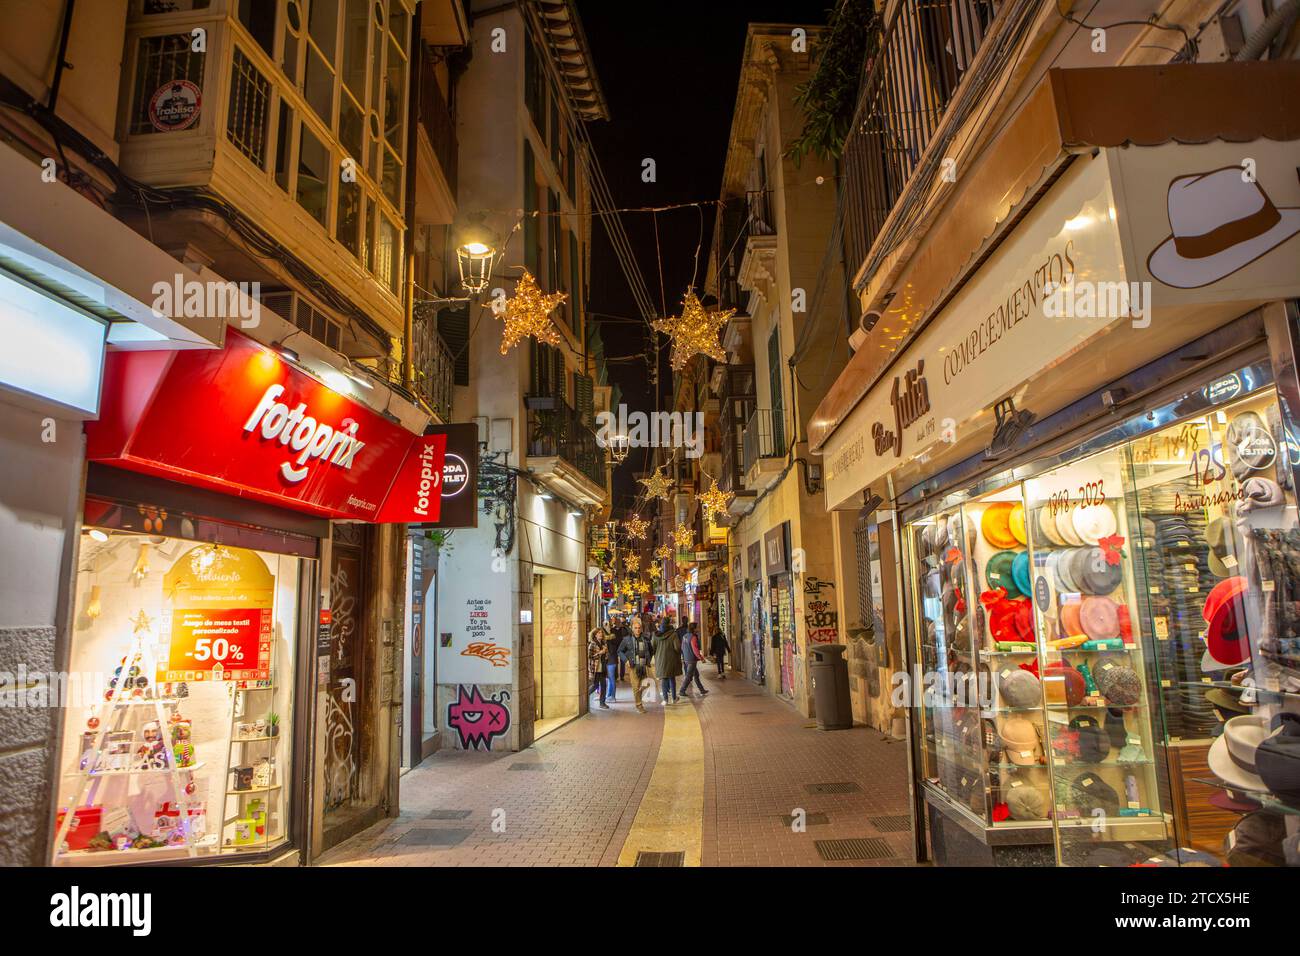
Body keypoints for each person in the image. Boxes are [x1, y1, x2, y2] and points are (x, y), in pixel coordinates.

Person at [652, 616, 682, 704]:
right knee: (671, 679)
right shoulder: (673, 634)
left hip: (660, 660)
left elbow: (652, 648)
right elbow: (677, 647)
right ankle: (674, 698)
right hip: (671, 660)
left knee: (663, 679)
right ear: (669, 623)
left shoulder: (655, 635)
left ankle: (665, 699)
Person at [629, 614, 653, 713]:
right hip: (634, 666)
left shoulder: (646, 639)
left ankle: (638, 696)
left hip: (643, 665)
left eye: (639, 628)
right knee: (636, 686)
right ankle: (639, 705)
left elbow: (651, 650)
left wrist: (648, 660)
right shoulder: (628, 640)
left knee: (647, 684)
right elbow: (620, 651)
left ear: (641, 629)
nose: (637, 630)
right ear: (632, 629)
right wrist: (626, 660)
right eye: (635, 628)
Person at [680, 622, 709, 697]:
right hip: (691, 660)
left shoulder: (685, 636)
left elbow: (682, 647)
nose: (698, 628)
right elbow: (695, 650)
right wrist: (701, 658)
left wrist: (685, 656)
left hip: (686, 658)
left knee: (696, 675)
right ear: (694, 629)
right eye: (697, 627)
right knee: (689, 676)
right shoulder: (693, 637)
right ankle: (682, 690)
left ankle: (702, 690)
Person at [588, 626, 609, 708]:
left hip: (603, 668)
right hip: (596, 669)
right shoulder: (592, 644)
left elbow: (606, 656)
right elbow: (590, 656)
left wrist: (606, 652)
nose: (601, 634)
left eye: (601, 633)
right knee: (595, 686)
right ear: (595, 635)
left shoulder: (604, 644)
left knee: (603, 685)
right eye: (598, 633)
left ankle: (602, 703)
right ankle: (585, 697)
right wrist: (600, 653)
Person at [603, 625, 625, 703]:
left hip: (611, 662)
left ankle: (612, 696)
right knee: (609, 679)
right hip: (612, 661)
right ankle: (609, 695)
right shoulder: (613, 640)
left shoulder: (611, 641)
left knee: (611, 679)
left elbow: (611, 651)